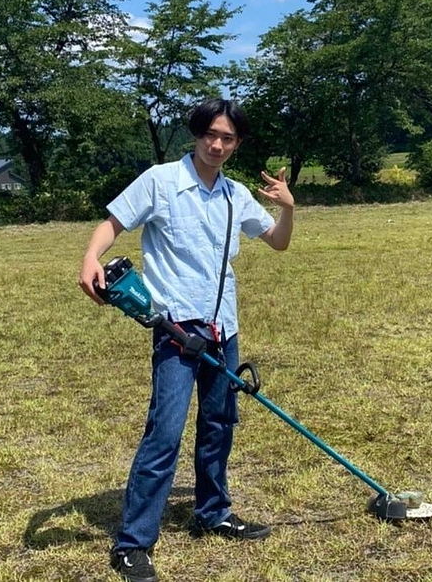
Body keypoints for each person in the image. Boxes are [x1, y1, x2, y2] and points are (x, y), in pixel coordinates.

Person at [78, 98, 295, 582]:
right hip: (176, 329)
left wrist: (287, 209)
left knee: (219, 424)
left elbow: (278, 242)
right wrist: (91, 258)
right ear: (196, 135)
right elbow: (112, 225)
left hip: (224, 328)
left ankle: (213, 512)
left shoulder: (236, 194)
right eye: (210, 135)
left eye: (228, 139)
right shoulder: (160, 181)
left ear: (237, 144)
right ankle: (133, 544)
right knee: (166, 432)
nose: (217, 145)